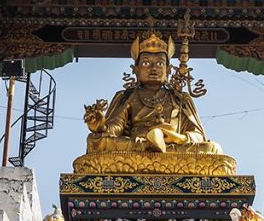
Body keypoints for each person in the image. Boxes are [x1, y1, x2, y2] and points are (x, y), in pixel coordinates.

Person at [83, 32, 222, 155]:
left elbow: (198, 135)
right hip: (137, 144)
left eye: (160, 64)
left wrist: (178, 138)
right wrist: (100, 127)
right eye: (146, 63)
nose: (153, 68)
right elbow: (116, 128)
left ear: (168, 70)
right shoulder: (127, 96)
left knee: (212, 149)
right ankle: (151, 144)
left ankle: (156, 144)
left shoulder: (180, 98)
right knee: (96, 141)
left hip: (172, 146)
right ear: (136, 70)